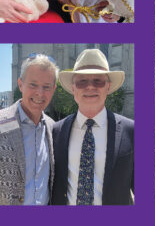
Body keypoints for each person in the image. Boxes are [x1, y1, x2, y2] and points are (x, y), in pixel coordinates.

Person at [50, 49, 134, 205]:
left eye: (98, 81)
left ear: (108, 87)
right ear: (73, 88)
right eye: (82, 81)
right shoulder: (56, 131)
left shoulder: (131, 131)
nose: (90, 87)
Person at [0, 53, 58, 205]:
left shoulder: (53, 127)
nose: (39, 93)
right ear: (20, 84)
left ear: (53, 89)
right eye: (33, 85)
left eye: (46, 87)